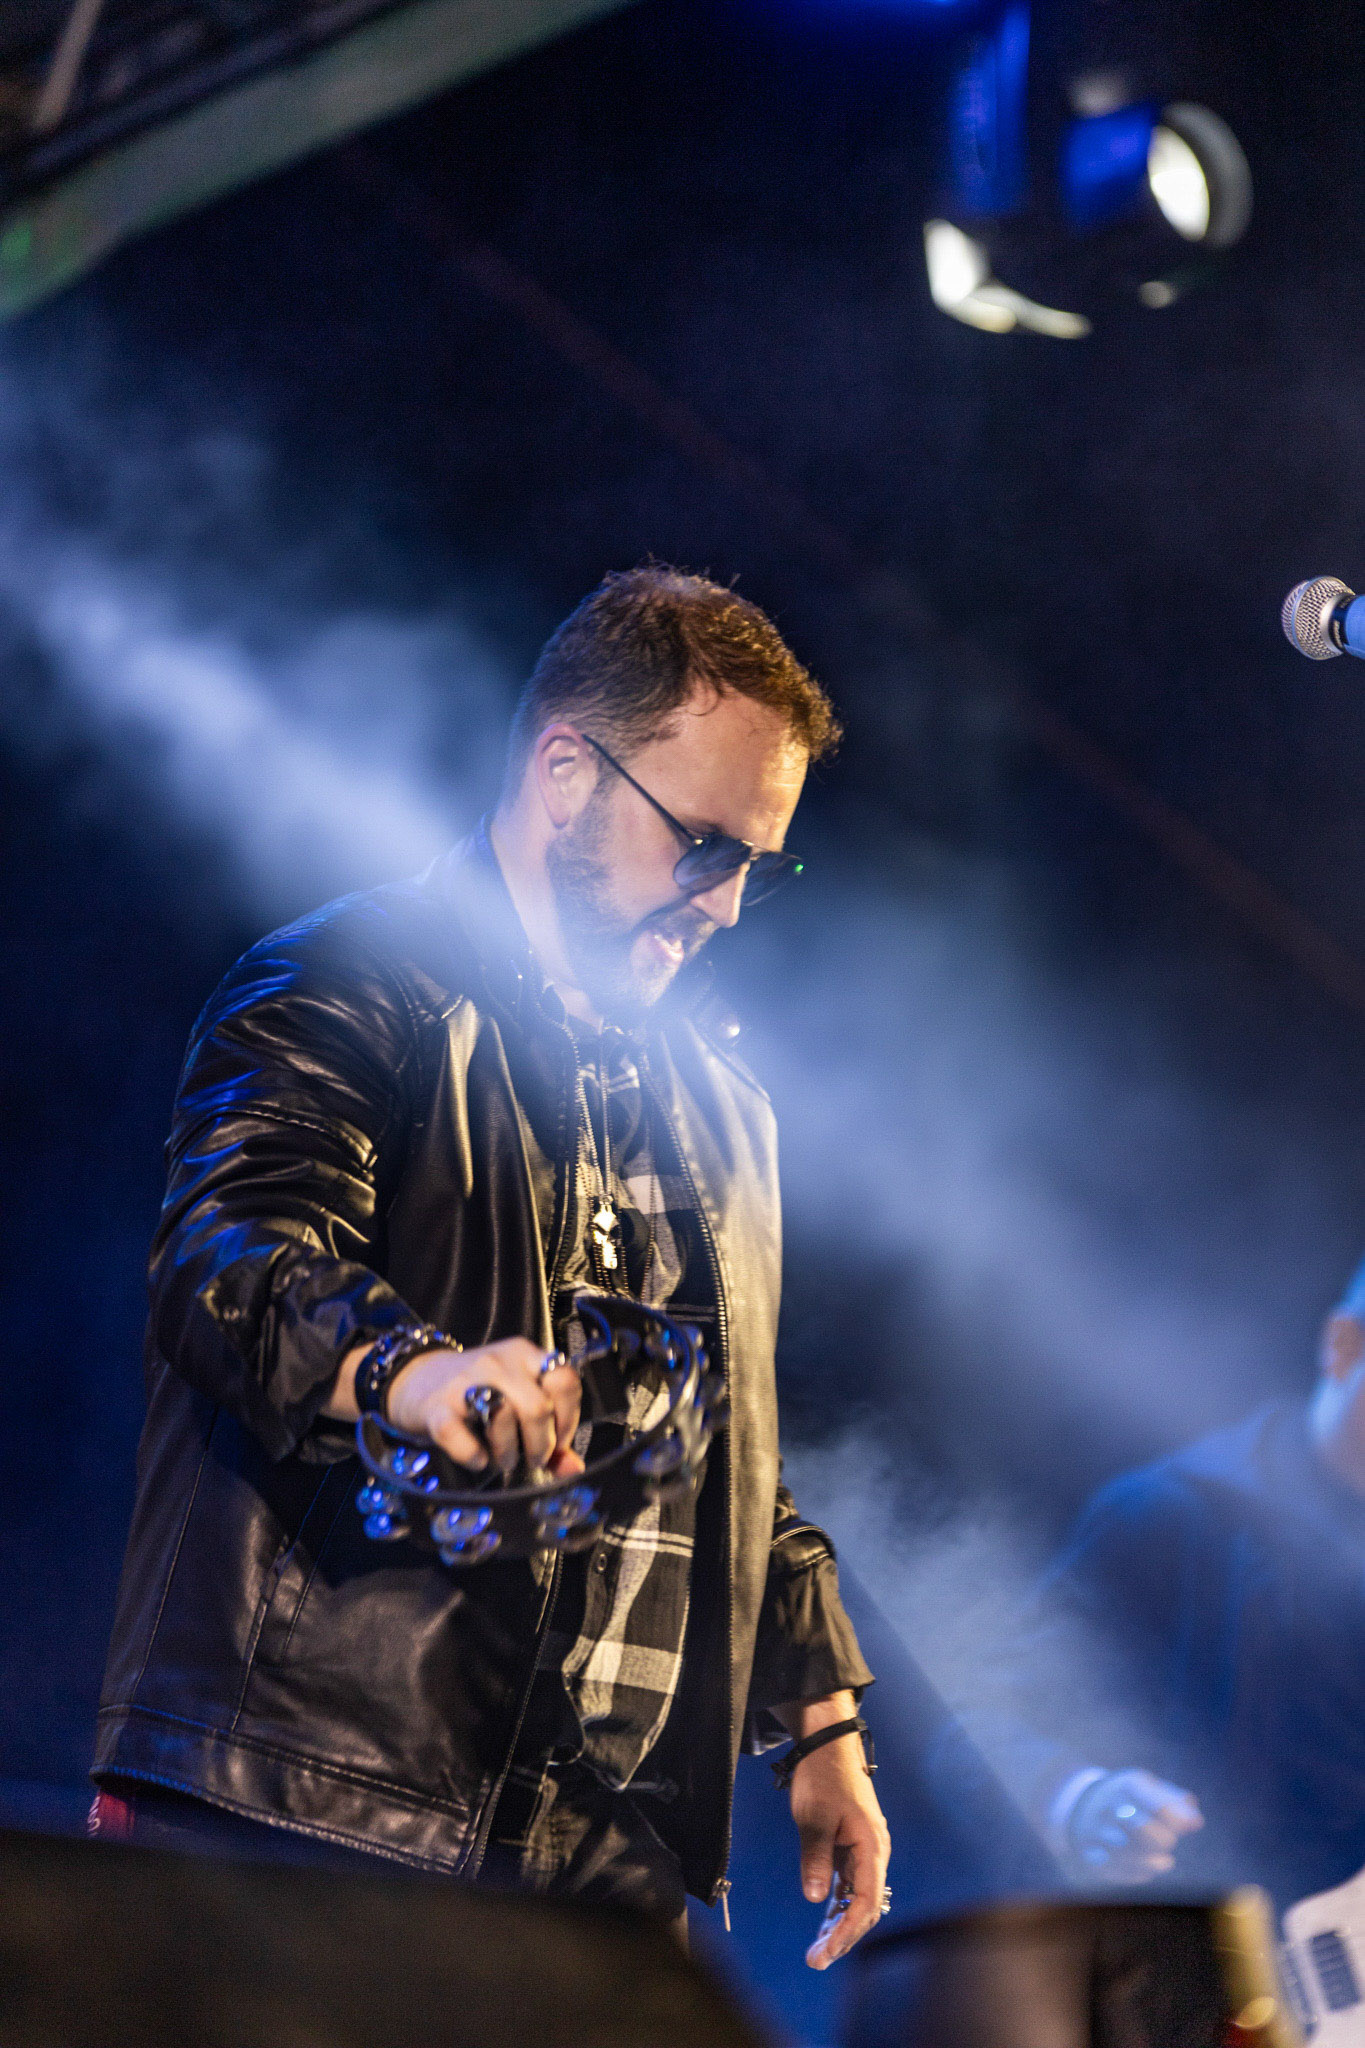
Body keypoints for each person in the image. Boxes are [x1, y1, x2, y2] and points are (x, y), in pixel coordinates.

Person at [89, 566, 890, 1968]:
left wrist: (818, 1719)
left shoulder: (721, 1104)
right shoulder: (350, 979)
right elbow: (235, 1252)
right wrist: (411, 1372)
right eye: (704, 847)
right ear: (566, 775)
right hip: (310, 1813)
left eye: (758, 866)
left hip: (601, 1871)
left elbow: (716, 1450)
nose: (725, 906)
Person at [947, 1258, 1365, 1912]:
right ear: (1342, 1346)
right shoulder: (1172, 1514)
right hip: (1197, 1954)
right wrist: (1081, 1799)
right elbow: (971, 1722)